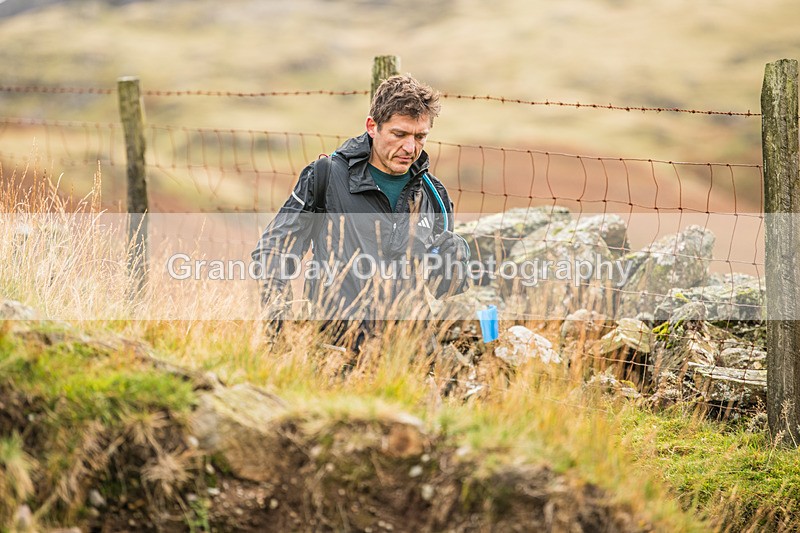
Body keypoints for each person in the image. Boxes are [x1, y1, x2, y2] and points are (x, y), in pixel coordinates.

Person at [251, 74, 470, 350]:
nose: (410, 148)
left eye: (420, 136)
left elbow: (442, 288)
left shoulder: (434, 195)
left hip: (410, 361)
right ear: (372, 126)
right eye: (399, 134)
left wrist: (455, 261)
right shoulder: (326, 177)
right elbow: (273, 251)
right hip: (334, 356)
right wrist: (279, 325)